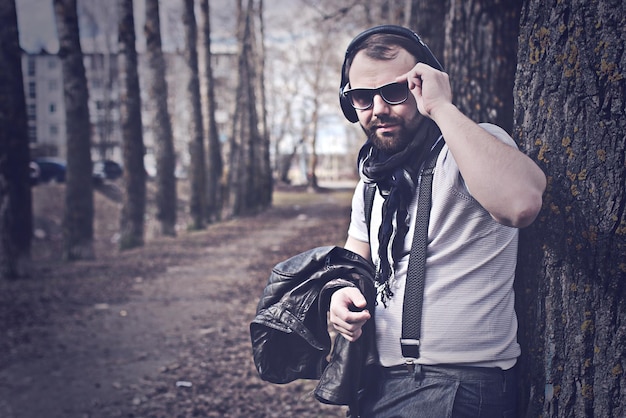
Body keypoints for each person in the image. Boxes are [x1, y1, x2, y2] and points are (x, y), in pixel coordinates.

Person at [328, 25, 547, 417]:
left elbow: (521, 203)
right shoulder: (375, 174)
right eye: (362, 97)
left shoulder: (473, 146)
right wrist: (339, 296)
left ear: (424, 84)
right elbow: (354, 260)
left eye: (395, 91)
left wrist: (442, 108)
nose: (378, 109)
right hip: (375, 381)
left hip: (456, 386)